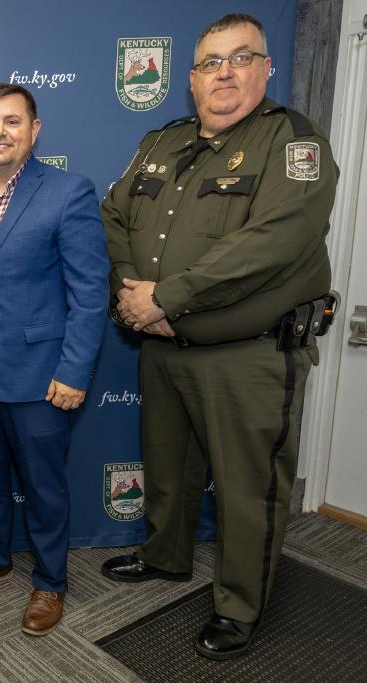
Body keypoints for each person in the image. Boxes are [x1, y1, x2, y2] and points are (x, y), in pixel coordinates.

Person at [101, 13, 337, 659]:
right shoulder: (161, 141)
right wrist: (135, 293)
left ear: (267, 68)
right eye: (211, 62)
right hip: (162, 345)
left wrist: (169, 296)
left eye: (241, 58)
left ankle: (239, 605)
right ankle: (166, 555)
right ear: (191, 79)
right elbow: (116, 211)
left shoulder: (293, 140)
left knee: (246, 489)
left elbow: (272, 242)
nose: (225, 72)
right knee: (170, 469)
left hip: (249, 354)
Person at [0, 83, 109, 636]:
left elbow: (90, 292)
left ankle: (50, 582)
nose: (0, 133)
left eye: (12, 122)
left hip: (41, 375)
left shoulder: (68, 192)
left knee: (43, 486)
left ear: (34, 131)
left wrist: (74, 370)